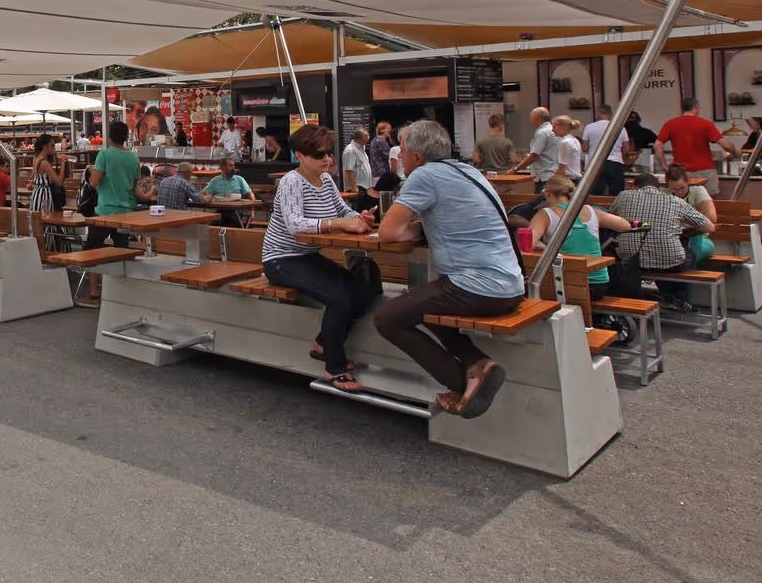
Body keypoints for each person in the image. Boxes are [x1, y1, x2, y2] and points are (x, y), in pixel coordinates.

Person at [374, 120, 526, 417]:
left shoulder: (425, 175)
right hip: (511, 285)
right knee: (422, 303)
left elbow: (388, 232)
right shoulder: (470, 172)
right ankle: (477, 363)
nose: (400, 159)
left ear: (417, 156)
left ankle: (463, 385)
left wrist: (413, 230)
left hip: (477, 286)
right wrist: (420, 229)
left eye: (402, 152)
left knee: (387, 318)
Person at [261, 123, 379, 392]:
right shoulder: (292, 181)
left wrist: (357, 217)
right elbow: (295, 224)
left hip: (307, 257)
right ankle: (333, 367)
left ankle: (324, 343)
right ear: (300, 156)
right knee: (338, 297)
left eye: (328, 153)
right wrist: (338, 224)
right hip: (281, 260)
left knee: (361, 292)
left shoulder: (325, 180)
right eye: (320, 155)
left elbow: (342, 209)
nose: (328, 159)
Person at [611, 172, 714, 310]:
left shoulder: (623, 196)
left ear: (634, 187)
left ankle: (668, 296)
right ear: (659, 188)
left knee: (662, 253)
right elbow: (709, 226)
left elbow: (611, 220)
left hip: (631, 260)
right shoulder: (675, 201)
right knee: (685, 255)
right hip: (668, 261)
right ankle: (683, 300)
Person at [529, 174, 632, 290]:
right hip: (599, 283)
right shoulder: (591, 211)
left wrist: (547, 247)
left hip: (566, 284)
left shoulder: (545, 214)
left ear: (547, 193)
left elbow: (528, 242)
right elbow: (626, 226)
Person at [657, 97, 736, 194]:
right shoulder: (706, 124)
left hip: (680, 173)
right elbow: (726, 145)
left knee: (680, 203)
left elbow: (657, 145)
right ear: (696, 107)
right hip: (705, 171)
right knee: (708, 203)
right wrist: (733, 153)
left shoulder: (670, 124)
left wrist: (664, 165)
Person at [83, 121, 139, 251]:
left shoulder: (104, 155)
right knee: (122, 251)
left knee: (91, 252)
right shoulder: (134, 158)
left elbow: (93, 183)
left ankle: (93, 272)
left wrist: (92, 171)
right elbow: (134, 186)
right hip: (126, 213)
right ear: (126, 137)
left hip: (105, 211)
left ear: (109, 137)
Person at [581, 104, 631, 196]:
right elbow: (626, 150)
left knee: (596, 193)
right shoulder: (620, 128)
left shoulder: (589, 127)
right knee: (616, 194)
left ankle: (596, 210)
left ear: (598, 113)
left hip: (596, 163)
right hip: (615, 163)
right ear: (611, 114)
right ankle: (614, 210)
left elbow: (585, 148)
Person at [510, 106, 562, 192]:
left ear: (537, 118)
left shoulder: (541, 132)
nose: (530, 119)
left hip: (544, 176)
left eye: (531, 116)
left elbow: (534, 156)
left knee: (541, 203)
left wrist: (515, 169)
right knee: (553, 203)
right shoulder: (552, 129)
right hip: (553, 173)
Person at [199, 156, 253, 227]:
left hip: (236, 211)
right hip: (220, 211)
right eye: (230, 166)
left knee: (230, 221)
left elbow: (250, 195)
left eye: (233, 165)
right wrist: (210, 196)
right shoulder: (215, 180)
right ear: (222, 168)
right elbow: (204, 193)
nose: (233, 168)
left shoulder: (239, 179)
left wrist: (252, 211)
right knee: (213, 224)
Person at [28, 134, 60, 215]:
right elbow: (58, 182)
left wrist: (33, 182)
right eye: (52, 145)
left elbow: (33, 175)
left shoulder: (36, 158)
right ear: (45, 146)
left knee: (36, 221)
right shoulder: (44, 163)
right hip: (44, 196)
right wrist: (63, 163)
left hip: (36, 193)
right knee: (46, 221)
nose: (54, 148)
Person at [341, 128, 373, 197]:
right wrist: (354, 189)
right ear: (358, 138)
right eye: (366, 136)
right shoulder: (350, 150)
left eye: (368, 135)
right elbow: (349, 170)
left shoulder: (362, 148)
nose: (368, 138)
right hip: (357, 188)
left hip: (365, 187)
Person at [553, 115, 583, 183]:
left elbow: (562, 168)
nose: (552, 130)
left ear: (564, 127)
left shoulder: (565, 142)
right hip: (576, 178)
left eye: (554, 126)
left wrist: (551, 183)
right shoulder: (574, 140)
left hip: (569, 180)